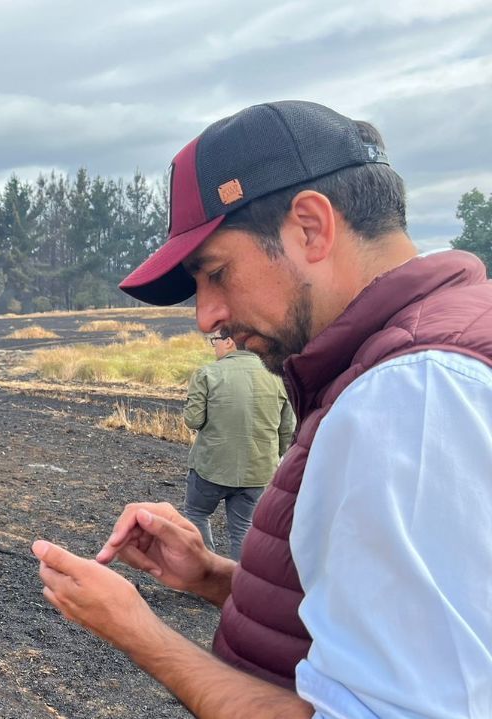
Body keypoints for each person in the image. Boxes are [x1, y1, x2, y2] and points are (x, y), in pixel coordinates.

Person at [33, 100, 492, 716]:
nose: (206, 317)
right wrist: (216, 579)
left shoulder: (413, 392)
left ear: (310, 227)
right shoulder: (408, 363)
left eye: (216, 273)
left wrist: (140, 633)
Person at [182, 331, 294, 560]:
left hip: (211, 466)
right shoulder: (278, 376)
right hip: (258, 470)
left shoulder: (208, 373)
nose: (214, 347)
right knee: (242, 528)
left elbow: (193, 421)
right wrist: (271, 455)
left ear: (229, 341)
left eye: (215, 341)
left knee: (197, 513)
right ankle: (237, 585)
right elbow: (287, 429)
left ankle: (206, 572)